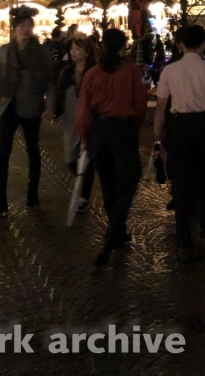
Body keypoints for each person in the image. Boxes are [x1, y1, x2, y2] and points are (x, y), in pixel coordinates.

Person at [153, 25, 205, 263]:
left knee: (182, 182)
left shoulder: (169, 71)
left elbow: (161, 108)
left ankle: (184, 238)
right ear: (203, 43)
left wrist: (157, 137)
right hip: (203, 127)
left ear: (180, 44)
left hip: (179, 128)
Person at [75, 29, 147, 262]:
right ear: (122, 47)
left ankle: (116, 230)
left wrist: (86, 137)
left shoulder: (92, 74)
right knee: (128, 181)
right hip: (123, 130)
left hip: (100, 131)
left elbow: (84, 110)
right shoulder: (130, 72)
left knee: (107, 183)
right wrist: (134, 124)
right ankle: (115, 229)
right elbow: (140, 104)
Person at [0, 7, 56, 215]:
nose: (26, 30)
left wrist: (49, 106)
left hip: (31, 106)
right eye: (22, 26)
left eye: (29, 26)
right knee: (3, 153)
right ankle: (0, 201)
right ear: (14, 29)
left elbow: (49, 80)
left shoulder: (40, 52)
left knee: (33, 150)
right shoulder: (5, 51)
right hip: (9, 104)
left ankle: (32, 194)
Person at [57, 37, 97, 213]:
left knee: (86, 158)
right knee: (69, 158)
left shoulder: (93, 72)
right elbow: (58, 92)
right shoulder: (67, 72)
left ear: (86, 52)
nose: (73, 52)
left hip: (88, 119)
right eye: (72, 48)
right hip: (70, 121)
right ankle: (82, 186)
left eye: (78, 49)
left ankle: (84, 196)